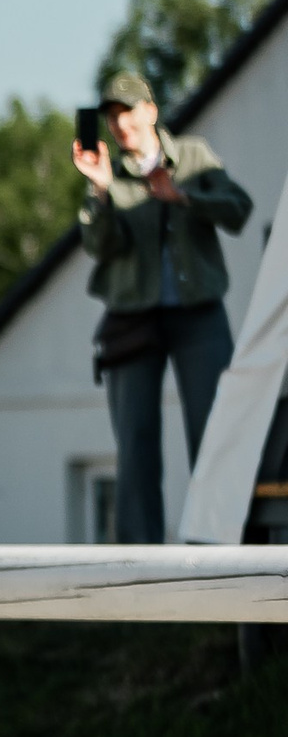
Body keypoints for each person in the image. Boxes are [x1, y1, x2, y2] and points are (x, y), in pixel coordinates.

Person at [74, 71, 254, 543]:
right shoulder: (109, 172)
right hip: (133, 318)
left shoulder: (193, 156)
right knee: (135, 443)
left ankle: (219, 547)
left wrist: (184, 196)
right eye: (111, 116)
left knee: (214, 434)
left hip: (199, 313)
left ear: (151, 111)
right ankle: (140, 562)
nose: (120, 124)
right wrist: (100, 190)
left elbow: (238, 209)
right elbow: (100, 247)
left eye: (128, 111)